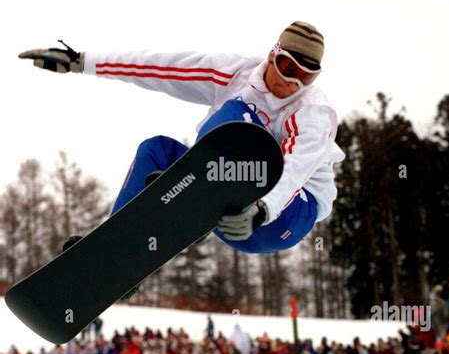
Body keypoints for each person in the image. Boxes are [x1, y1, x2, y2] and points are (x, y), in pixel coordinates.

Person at [19, 23, 344, 255]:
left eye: (305, 76)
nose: (292, 83)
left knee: (242, 124)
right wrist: (82, 62)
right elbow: (161, 68)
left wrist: (261, 210)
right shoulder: (235, 74)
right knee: (157, 150)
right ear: (273, 55)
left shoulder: (315, 113)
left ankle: (199, 197)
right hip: (225, 198)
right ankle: (117, 247)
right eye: (288, 68)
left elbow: (294, 172)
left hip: (285, 213)